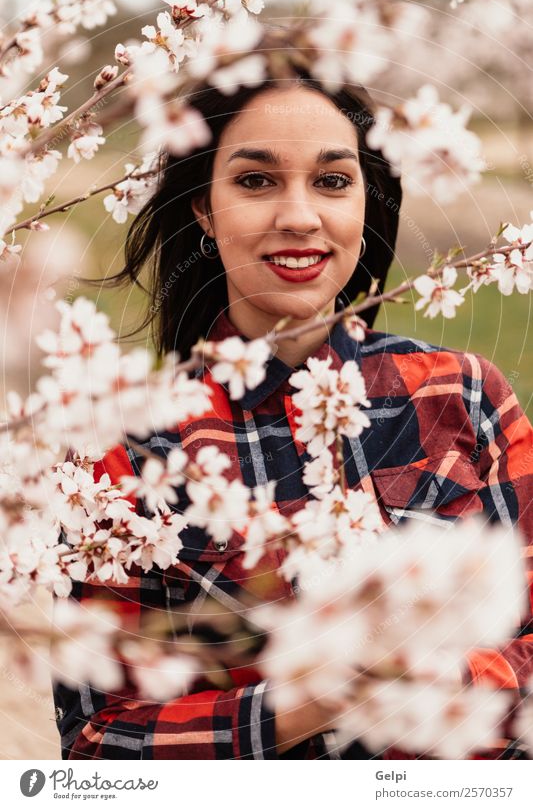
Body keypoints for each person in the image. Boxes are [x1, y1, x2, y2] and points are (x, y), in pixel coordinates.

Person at [52, 71, 533, 760]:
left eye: (332, 181)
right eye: (255, 181)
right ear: (203, 211)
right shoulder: (125, 451)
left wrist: (441, 679)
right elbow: (98, 742)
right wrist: (314, 696)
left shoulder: (461, 395)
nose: (300, 216)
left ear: (366, 202)